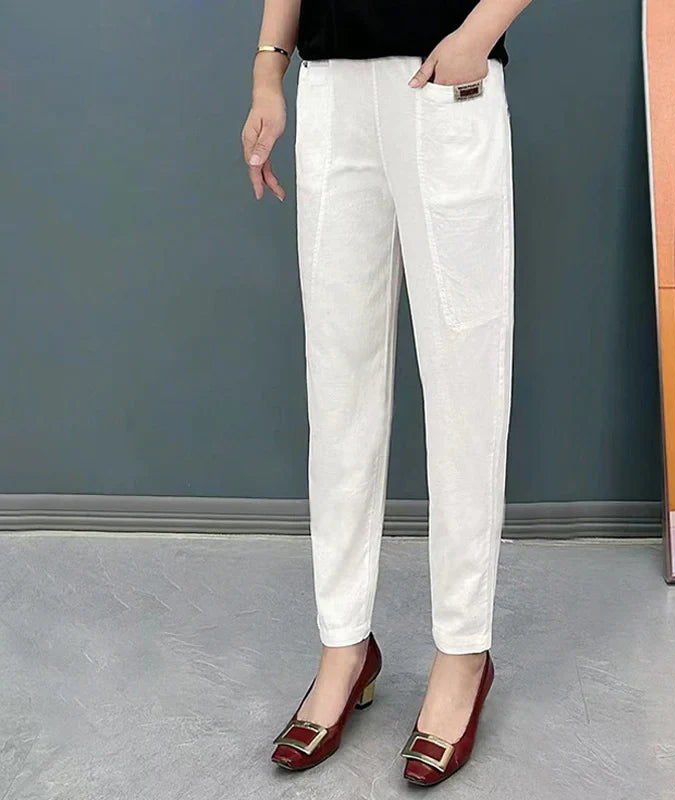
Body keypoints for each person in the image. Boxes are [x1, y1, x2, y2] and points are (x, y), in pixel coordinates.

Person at [241, 0, 532, 786]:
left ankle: (463, 653)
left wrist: (477, 37)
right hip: (330, 87)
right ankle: (343, 645)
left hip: (444, 78)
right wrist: (270, 72)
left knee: (465, 375)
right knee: (337, 381)